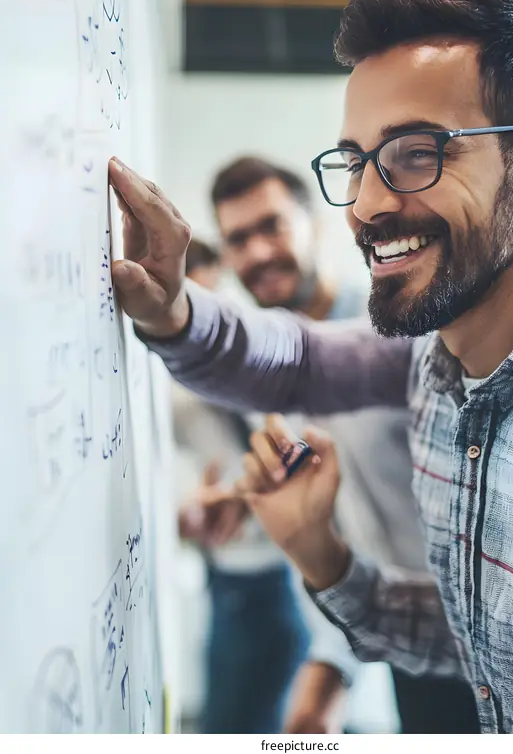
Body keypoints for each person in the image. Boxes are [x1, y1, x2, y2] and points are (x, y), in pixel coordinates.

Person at [106, 0, 513, 733]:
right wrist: (324, 557)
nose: (366, 205)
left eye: (414, 155)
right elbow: (499, 646)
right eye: (356, 163)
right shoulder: (436, 363)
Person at [178, 157, 473, 733]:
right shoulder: (270, 375)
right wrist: (246, 499)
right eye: (239, 238)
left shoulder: (404, 330)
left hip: (490, 643)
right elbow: (337, 522)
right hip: (403, 649)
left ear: (313, 223)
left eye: (272, 227)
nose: (258, 252)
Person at [173, 238, 311, 734]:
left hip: (269, 579)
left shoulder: (261, 357)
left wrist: (247, 499)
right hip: (230, 575)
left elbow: (299, 453)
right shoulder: (173, 386)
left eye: (214, 301)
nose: (206, 326)